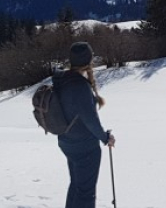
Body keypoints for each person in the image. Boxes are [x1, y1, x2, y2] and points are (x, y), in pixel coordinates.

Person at [54, 41, 115, 208]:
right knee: (86, 193)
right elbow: (90, 119)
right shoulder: (80, 85)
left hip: (67, 142)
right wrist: (105, 138)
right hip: (85, 147)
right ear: (89, 60)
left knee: (77, 186)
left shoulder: (63, 79)